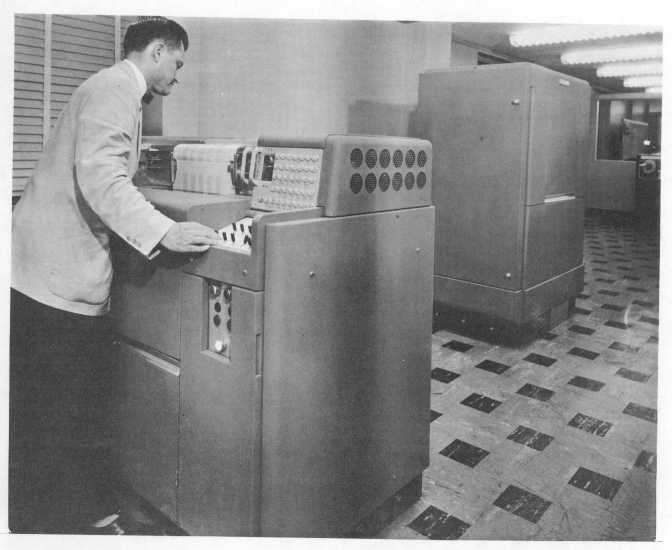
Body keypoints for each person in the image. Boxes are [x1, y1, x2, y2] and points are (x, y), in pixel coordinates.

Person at [9, 17, 220, 534]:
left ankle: (54, 515)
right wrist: (165, 231)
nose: (178, 75)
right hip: (55, 275)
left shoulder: (110, 89)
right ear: (156, 50)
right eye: (177, 62)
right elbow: (102, 177)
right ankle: (74, 523)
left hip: (40, 267)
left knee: (45, 406)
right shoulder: (114, 90)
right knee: (65, 406)